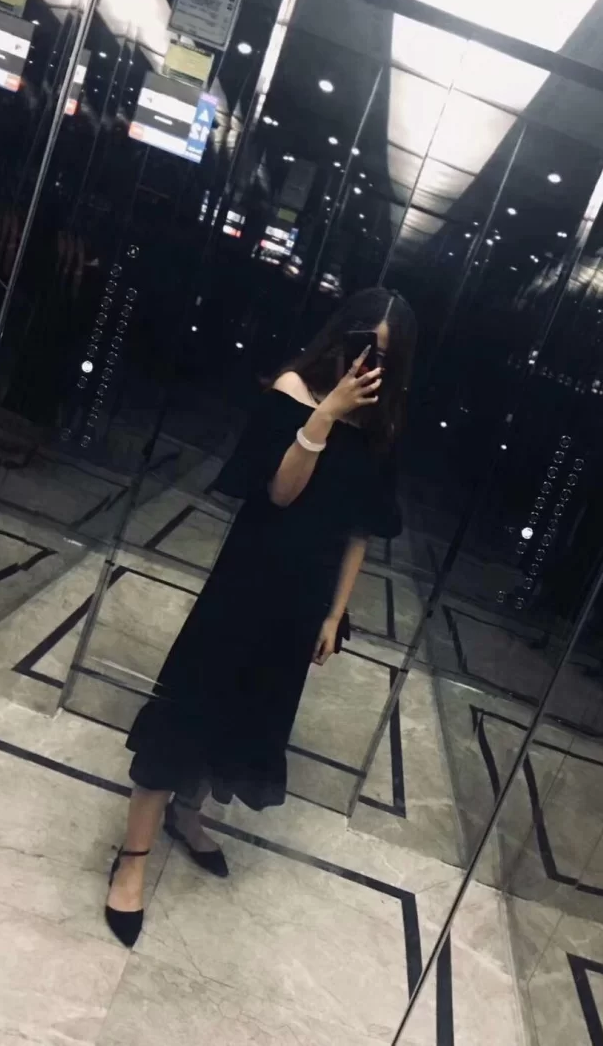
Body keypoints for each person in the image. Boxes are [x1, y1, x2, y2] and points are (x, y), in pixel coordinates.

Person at [104, 288, 417, 946]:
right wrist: (326, 413)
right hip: (247, 581)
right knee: (188, 705)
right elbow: (279, 491)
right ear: (342, 335)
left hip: (303, 600)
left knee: (248, 713)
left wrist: (335, 613)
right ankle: (131, 859)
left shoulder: (383, 426)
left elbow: (360, 530)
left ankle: (186, 815)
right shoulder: (293, 390)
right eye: (363, 343)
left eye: (384, 355)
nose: (368, 361)